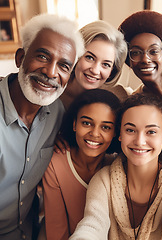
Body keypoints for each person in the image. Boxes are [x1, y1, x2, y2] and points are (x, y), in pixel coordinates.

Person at [69, 93, 162, 240]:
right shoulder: (103, 180)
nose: (140, 141)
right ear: (120, 134)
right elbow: (92, 225)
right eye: (130, 130)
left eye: (151, 132)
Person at [0, 13, 84, 240]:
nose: (50, 72)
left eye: (64, 66)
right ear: (20, 58)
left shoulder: (57, 113)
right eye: (43, 56)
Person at [42, 89, 121, 240]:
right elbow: (56, 229)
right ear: (74, 124)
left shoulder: (117, 167)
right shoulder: (56, 164)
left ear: (115, 132)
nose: (95, 133)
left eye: (106, 127)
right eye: (86, 123)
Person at [60, 20, 129, 109]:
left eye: (106, 64)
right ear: (76, 56)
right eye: (90, 58)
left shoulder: (118, 98)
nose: (95, 70)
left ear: (112, 71)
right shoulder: (52, 89)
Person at [118, 10, 162, 98]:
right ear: (129, 60)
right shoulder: (133, 102)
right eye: (136, 52)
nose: (145, 59)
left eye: (154, 51)